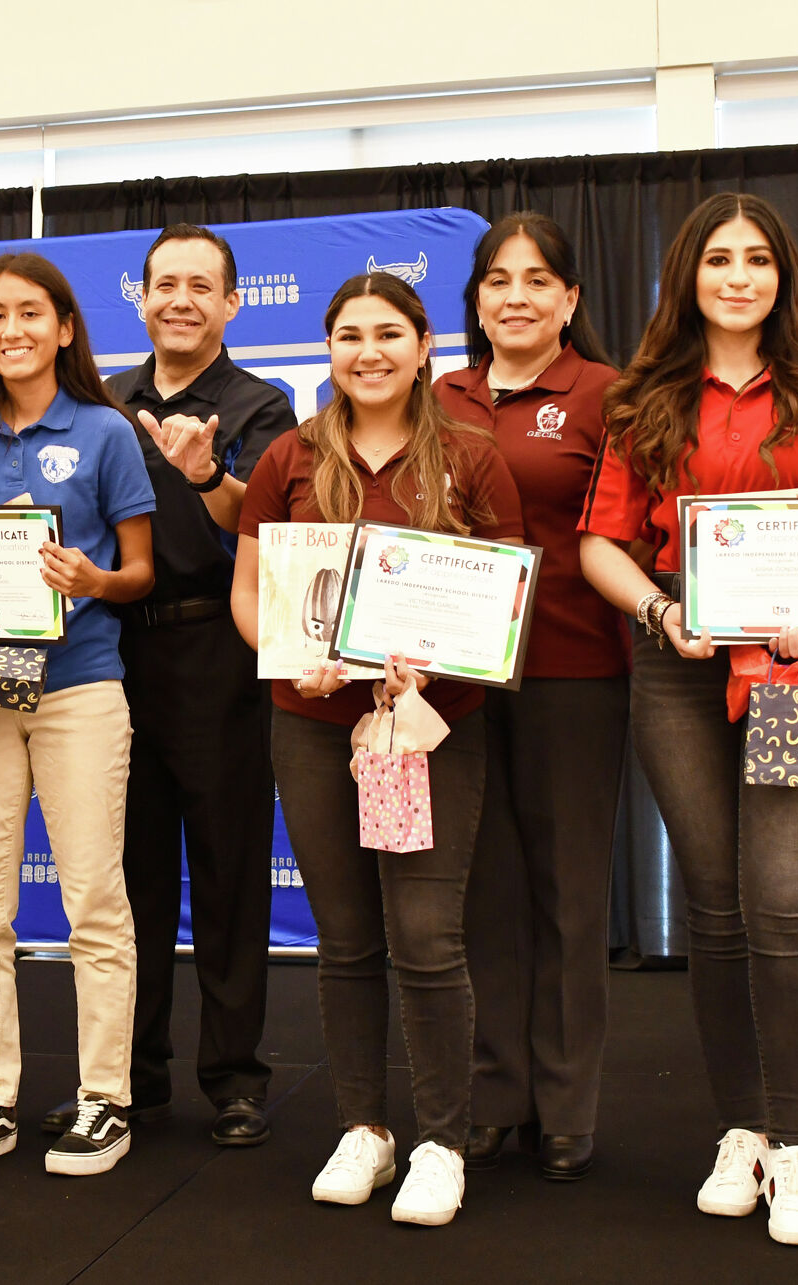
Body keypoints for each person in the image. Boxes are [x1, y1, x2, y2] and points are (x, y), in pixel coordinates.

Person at [579, 192, 798, 1247]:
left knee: (780, 901)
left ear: (781, 278)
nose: (736, 276)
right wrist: (662, 610)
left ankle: (796, 1146)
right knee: (714, 904)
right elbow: (598, 546)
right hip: (675, 664)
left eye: (756, 259)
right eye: (717, 258)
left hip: (795, 670)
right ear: (688, 275)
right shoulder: (641, 401)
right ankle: (740, 1132)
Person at [231, 271, 524, 1228]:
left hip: (431, 732)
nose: (369, 351)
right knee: (346, 940)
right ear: (328, 350)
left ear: (423, 344)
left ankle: (441, 1139)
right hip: (313, 725)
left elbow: (501, 605)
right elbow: (252, 590)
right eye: (350, 334)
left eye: (389, 333)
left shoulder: (474, 460)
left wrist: (435, 671)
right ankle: (366, 1124)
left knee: (430, 940)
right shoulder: (289, 457)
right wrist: (290, 655)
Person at [39, 224, 295, 1148]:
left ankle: (233, 1077)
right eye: (164, 284)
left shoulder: (264, 408)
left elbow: (270, 529)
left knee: (229, 873)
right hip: (111, 657)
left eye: (202, 286)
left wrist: (208, 469)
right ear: (138, 299)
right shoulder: (100, 403)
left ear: (232, 304)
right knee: (121, 877)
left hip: (220, 655)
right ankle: (125, 1075)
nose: (180, 299)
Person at [0, 252, 156, 1178]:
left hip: (78, 685)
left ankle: (103, 1099)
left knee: (94, 898)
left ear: (63, 327)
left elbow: (140, 570)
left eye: (29, 313)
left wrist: (95, 580)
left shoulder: (104, 432)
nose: (10, 329)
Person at [435, 212, 627, 1181]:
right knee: (482, 892)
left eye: (536, 279)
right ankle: (491, 1091)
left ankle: (563, 1102)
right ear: (473, 300)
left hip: (571, 670)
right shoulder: (440, 395)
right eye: (496, 280)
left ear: (568, 300)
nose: (515, 295)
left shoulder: (606, 394)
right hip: (457, 679)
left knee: (567, 893)